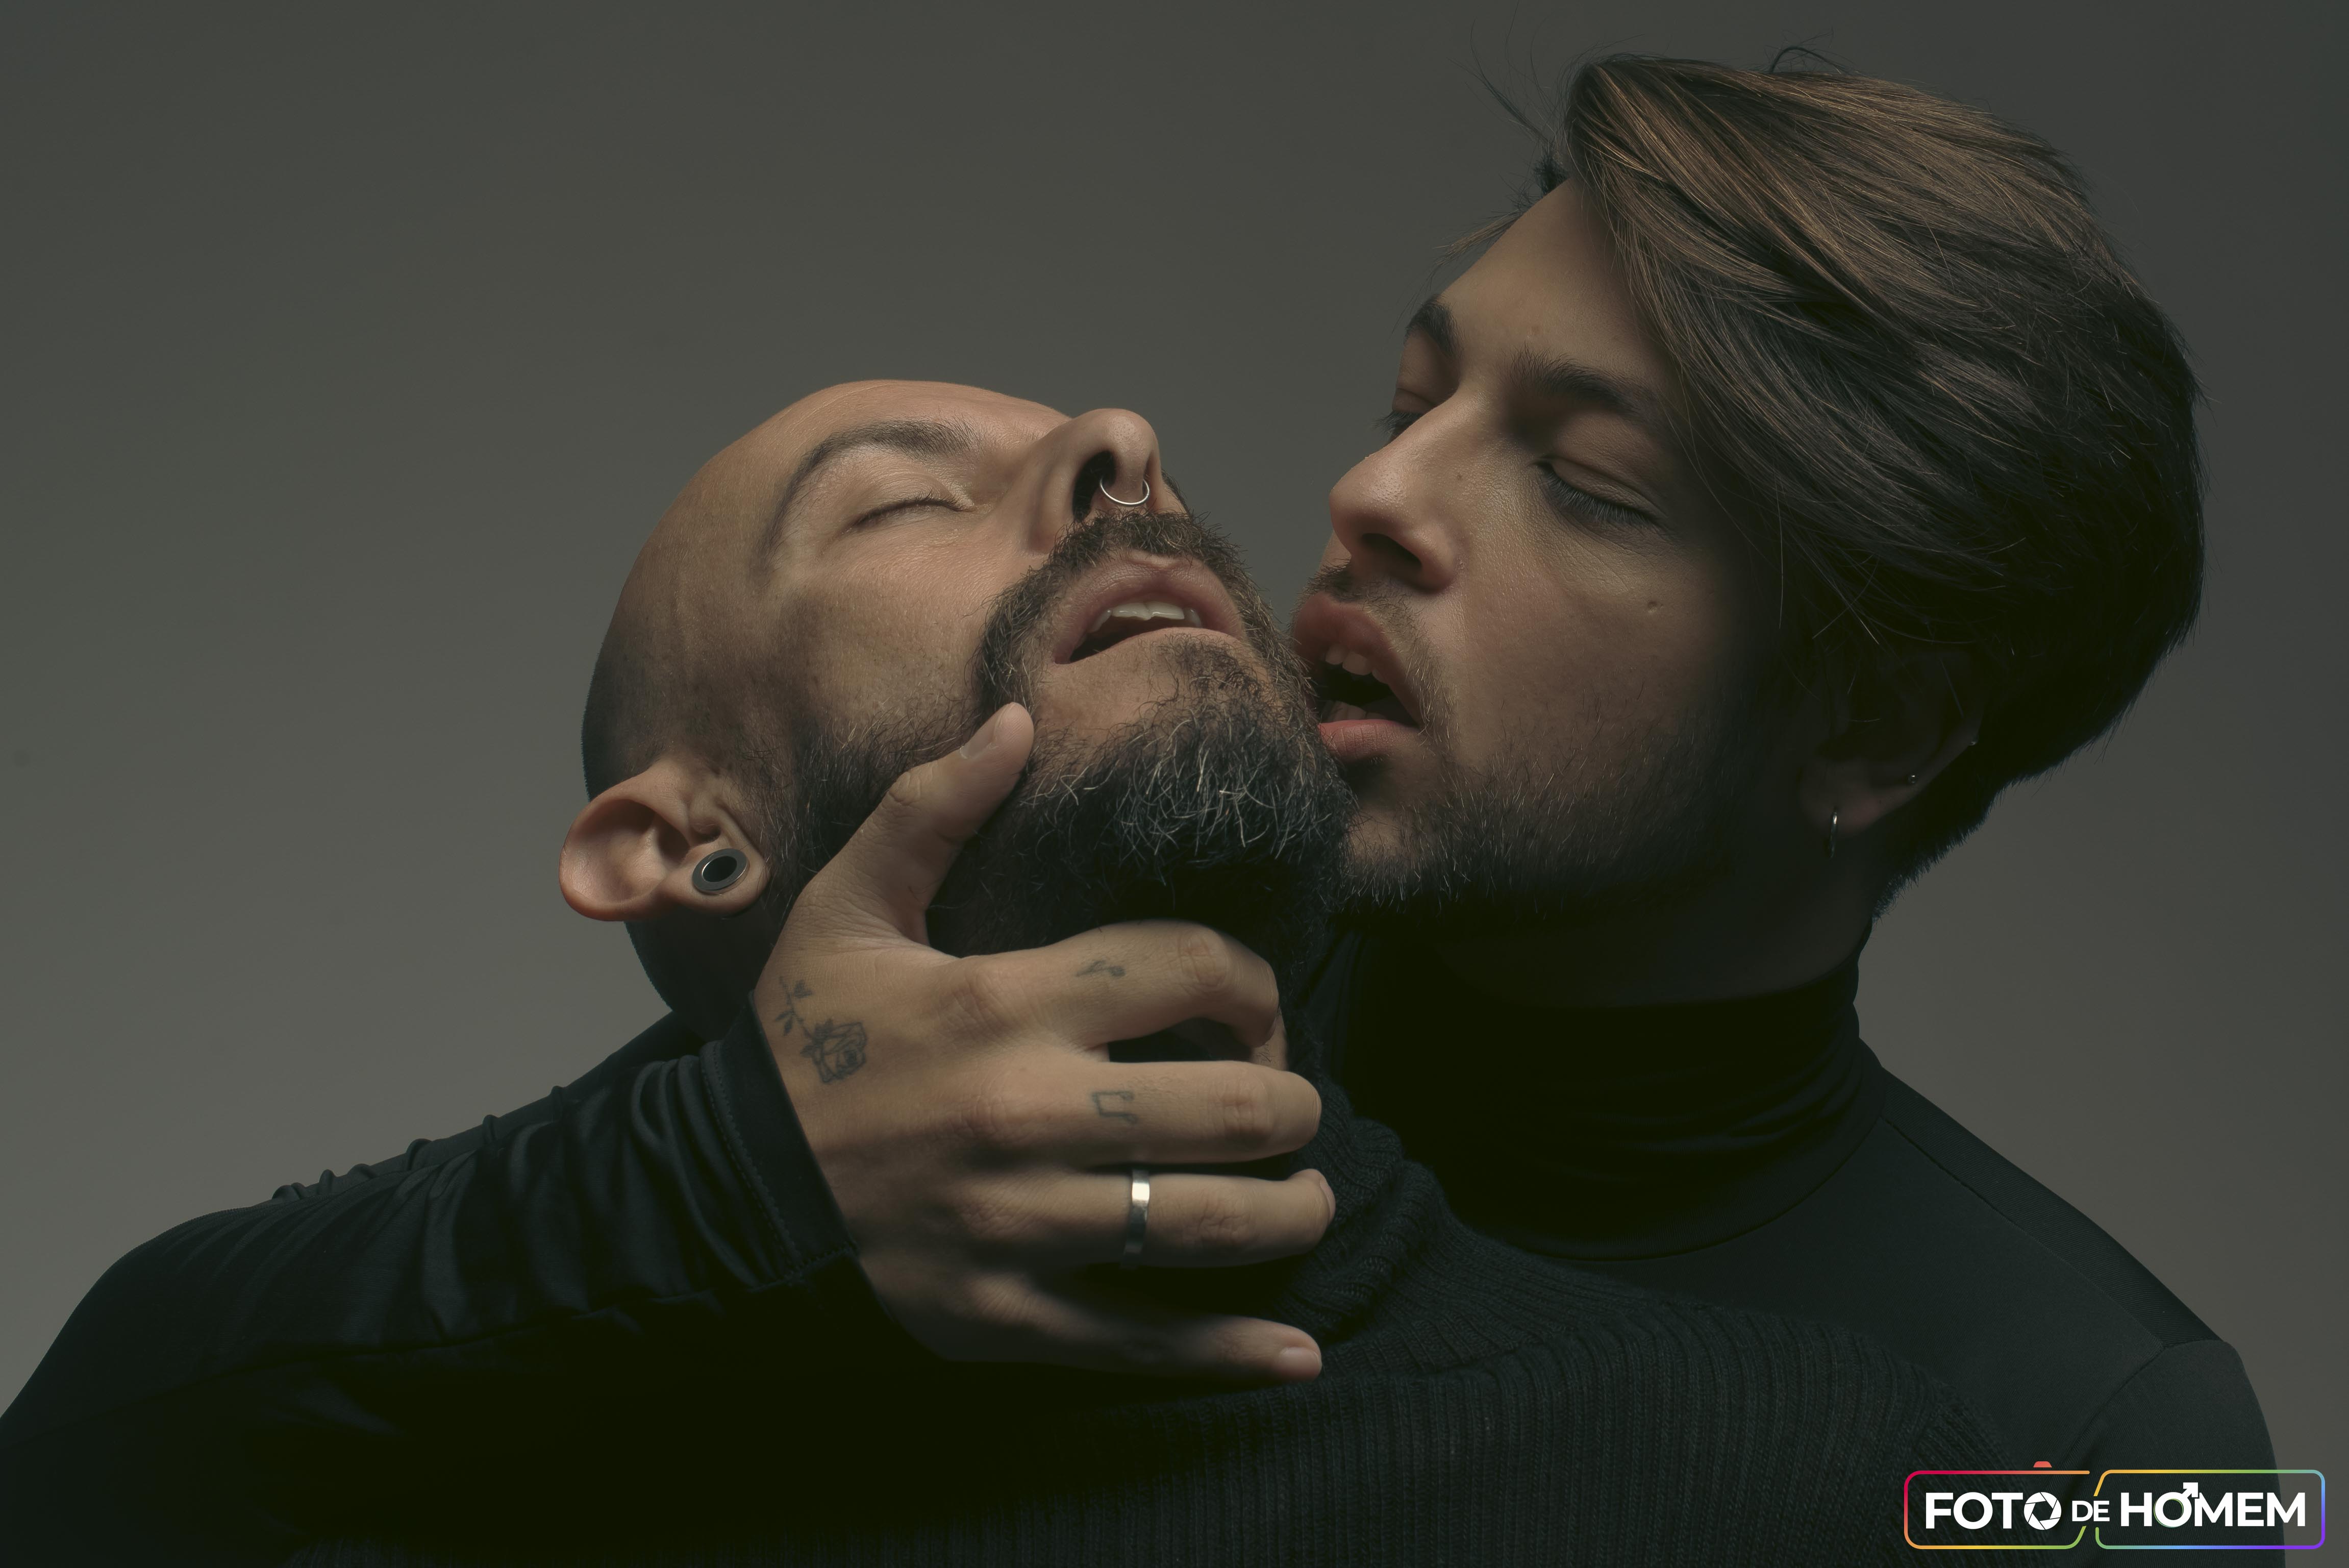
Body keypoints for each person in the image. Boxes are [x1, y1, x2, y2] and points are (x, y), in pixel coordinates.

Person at [0, 380, 2000, 1565]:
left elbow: (2180, 1517)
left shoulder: (1799, 1466)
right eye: (899, 498)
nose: (1124, 445)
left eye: (1112, 450)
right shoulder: (395, 1458)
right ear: (687, 841)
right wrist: (731, 1184)